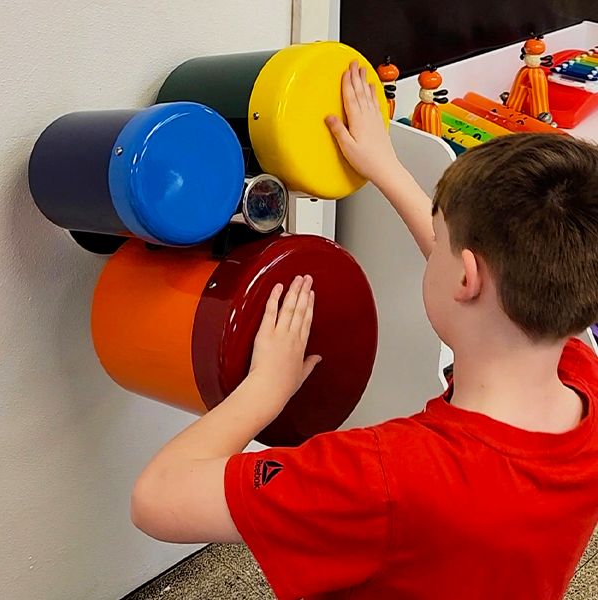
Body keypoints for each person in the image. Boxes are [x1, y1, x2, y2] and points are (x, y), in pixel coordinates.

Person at [130, 61, 598, 599]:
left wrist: (263, 392)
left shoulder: (381, 476)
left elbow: (157, 498)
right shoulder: (579, 375)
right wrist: (387, 168)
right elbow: (490, 282)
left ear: (466, 276)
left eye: (439, 241)